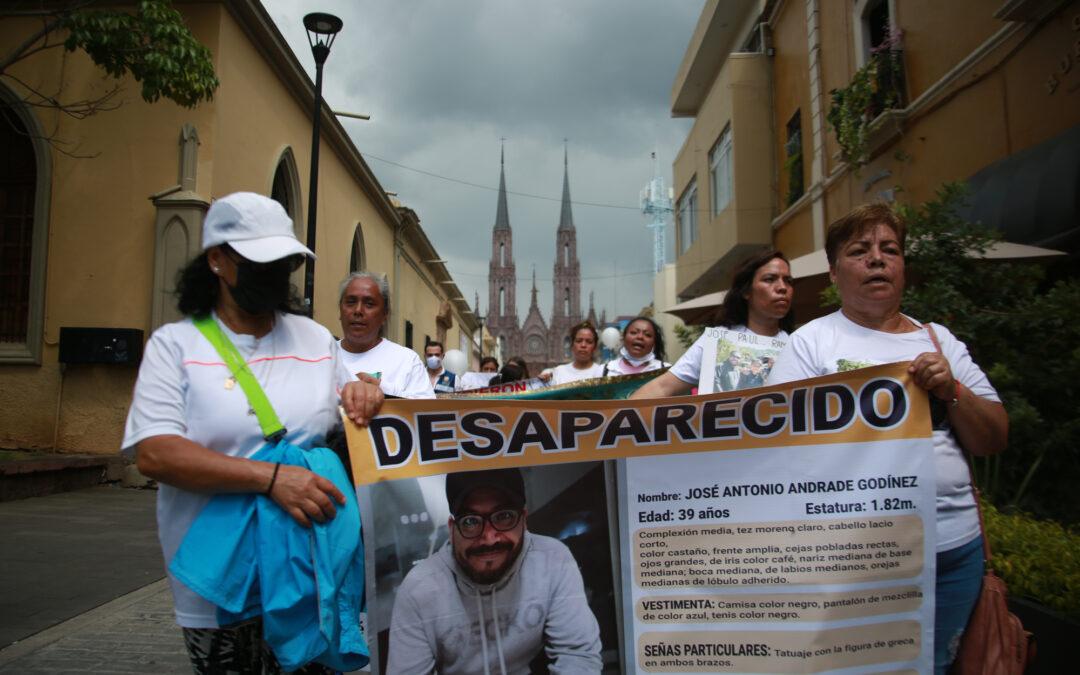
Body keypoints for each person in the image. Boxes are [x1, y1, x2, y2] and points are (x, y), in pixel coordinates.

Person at [121, 192, 383, 674]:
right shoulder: (175, 345)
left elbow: (348, 412)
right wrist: (270, 478)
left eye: (282, 263)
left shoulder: (314, 340)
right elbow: (155, 454)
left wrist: (366, 397)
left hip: (311, 569)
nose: (273, 275)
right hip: (222, 581)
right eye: (258, 262)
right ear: (217, 260)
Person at [767, 203, 1008, 675]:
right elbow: (779, 452)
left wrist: (951, 390)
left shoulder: (939, 340)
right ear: (834, 274)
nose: (877, 259)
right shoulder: (810, 344)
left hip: (954, 552)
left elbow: (993, 438)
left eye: (889, 249)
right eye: (860, 251)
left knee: (937, 665)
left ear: (902, 267)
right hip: (855, 559)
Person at [387, 468, 602, 674]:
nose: (489, 539)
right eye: (471, 522)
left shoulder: (553, 560)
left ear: (523, 520)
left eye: (504, 517)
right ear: (452, 530)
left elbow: (577, 656)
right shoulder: (418, 589)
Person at [631, 249, 794, 399]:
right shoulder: (718, 341)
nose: (782, 287)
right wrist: (613, 419)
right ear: (746, 291)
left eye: (788, 281)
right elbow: (663, 387)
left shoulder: (799, 345)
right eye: (769, 279)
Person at [337, 271, 434, 399]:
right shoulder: (321, 356)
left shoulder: (407, 361)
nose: (358, 311)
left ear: (384, 315)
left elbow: (426, 411)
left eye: (369, 304)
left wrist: (383, 389)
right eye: (350, 302)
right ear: (340, 310)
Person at [602, 316, 669, 376]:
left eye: (647, 335)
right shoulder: (605, 370)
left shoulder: (666, 371)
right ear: (623, 340)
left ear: (654, 344)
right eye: (634, 332)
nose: (640, 337)